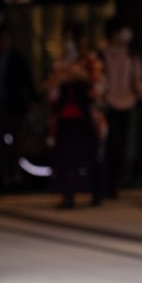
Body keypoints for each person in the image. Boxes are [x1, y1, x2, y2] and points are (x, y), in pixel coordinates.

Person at [44, 23, 105, 208]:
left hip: (85, 114)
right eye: (66, 39)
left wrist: (81, 78)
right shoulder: (60, 63)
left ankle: (96, 191)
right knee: (65, 156)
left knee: (89, 154)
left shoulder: (90, 61)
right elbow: (50, 89)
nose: (68, 43)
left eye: (72, 38)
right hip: (65, 115)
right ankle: (68, 194)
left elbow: (98, 86)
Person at [101, 18, 142, 198]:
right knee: (109, 144)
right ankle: (106, 183)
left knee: (121, 145)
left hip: (127, 103)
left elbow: (138, 79)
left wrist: (140, 89)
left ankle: (114, 182)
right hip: (108, 104)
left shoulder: (132, 54)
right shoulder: (102, 54)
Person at [0, 23, 36, 192]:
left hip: (14, 107)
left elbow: (27, 83)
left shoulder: (18, 60)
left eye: (7, 39)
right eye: (1, 39)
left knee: (16, 142)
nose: (4, 42)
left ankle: (16, 176)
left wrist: (32, 102)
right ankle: (3, 176)